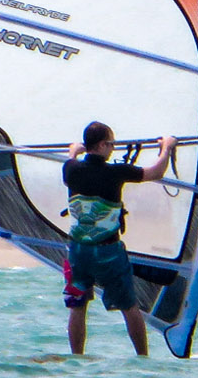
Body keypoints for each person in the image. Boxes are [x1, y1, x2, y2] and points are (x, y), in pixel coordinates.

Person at [61, 121, 178, 356]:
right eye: (111, 144)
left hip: (78, 251)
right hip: (108, 252)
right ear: (103, 144)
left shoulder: (71, 170)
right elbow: (155, 172)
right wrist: (167, 147)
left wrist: (75, 150)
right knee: (129, 306)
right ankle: (143, 357)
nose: (113, 149)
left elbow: (71, 159)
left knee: (77, 306)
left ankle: (77, 357)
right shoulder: (115, 172)